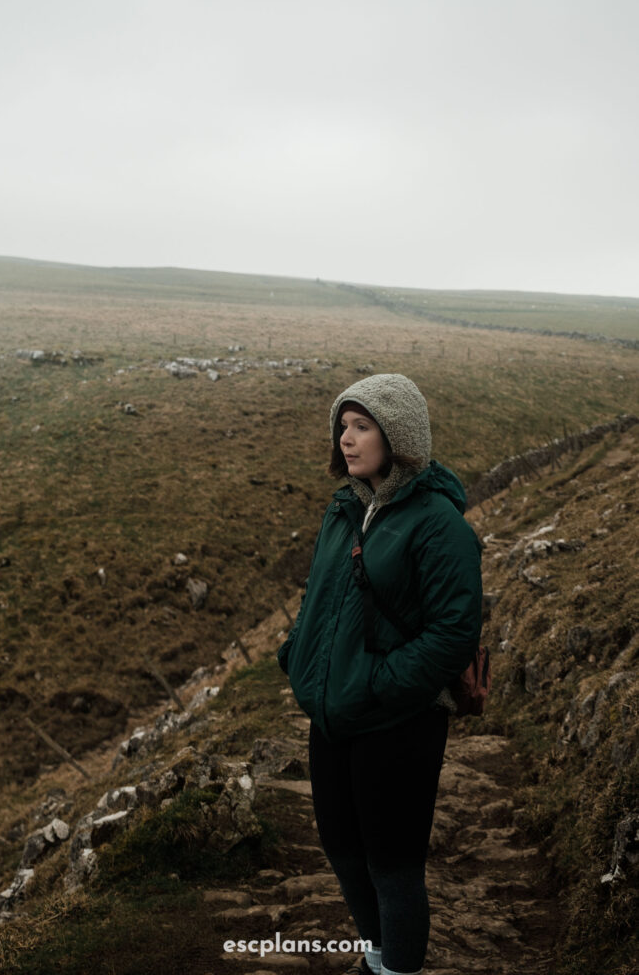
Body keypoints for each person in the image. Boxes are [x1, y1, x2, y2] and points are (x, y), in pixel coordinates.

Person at [277, 373, 483, 975]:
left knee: (392, 866)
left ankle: (398, 970)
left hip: (399, 721)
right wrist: (298, 654)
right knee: (344, 853)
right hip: (334, 713)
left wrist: (379, 684)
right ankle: (376, 959)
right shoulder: (344, 509)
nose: (347, 438)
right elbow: (318, 594)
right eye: (344, 425)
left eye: (362, 426)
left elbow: (453, 632)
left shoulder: (439, 525)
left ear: (400, 436)